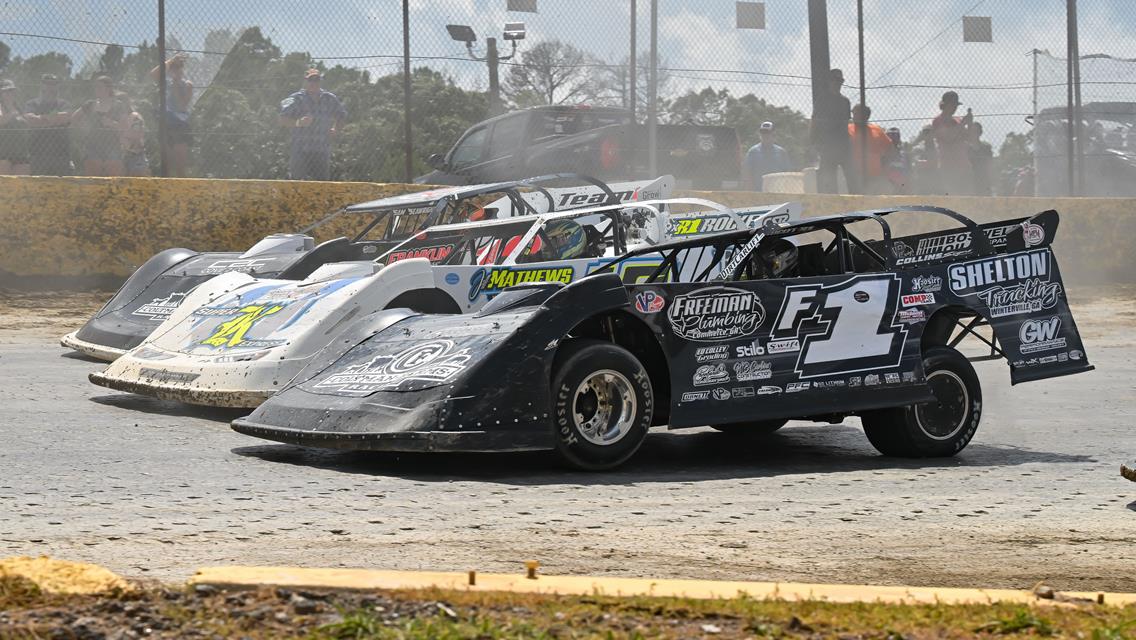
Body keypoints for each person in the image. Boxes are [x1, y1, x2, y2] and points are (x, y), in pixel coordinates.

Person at [279, 69, 346, 181]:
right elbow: (282, 119)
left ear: (321, 81)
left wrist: (336, 129)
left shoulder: (329, 98)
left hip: (322, 149)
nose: (314, 83)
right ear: (305, 81)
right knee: (297, 183)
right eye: (311, 80)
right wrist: (298, 122)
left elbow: (342, 115)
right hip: (300, 149)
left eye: (317, 80)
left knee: (322, 185)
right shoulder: (295, 98)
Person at [810, 68, 855, 193]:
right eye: (834, 80)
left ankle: (855, 203)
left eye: (840, 80)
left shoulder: (845, 101)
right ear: (829, 81)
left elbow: (846, 124)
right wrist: (814, 142)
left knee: (851, 177)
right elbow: (815, 122)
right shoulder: (822, 100)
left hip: (843, 145)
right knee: (829, 179)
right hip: (828, 145)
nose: (837, 83)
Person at [73, 76, 129, 176]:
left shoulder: (118, 105)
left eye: (100, 87)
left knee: (113, 179)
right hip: (92, 146)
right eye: (96, 87)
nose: (96, 89)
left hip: (113, 146)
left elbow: (125, 126)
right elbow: (74, 118)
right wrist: (83, 128)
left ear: (108, 89)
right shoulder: (90, 104)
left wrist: (111, 123)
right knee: (93, 179)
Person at [150, 53, 193, 177]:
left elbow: (181, 106)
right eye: (173, 68)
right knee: (166, 162)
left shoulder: (187, 84)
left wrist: (175, 84)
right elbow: (153, 74)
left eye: (179, 67)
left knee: (180, 163)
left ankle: (182, 189)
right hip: (166, 123)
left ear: (182, 69)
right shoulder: (165, 81)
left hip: (180, 124)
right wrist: (170, 61)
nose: (176, 70)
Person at [23, 74, 73, 175]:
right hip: (37, 152)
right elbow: (30, 120)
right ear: (41, 85)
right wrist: (53, 118)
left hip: (61, 152)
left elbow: (66, 117)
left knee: (62, 186)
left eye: (53, 83)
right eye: (47, 83)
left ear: (57, 86)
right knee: (37, 185)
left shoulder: (63, 103)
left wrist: (41, 119)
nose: (50, 86)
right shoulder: (32, 103)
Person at [930, 90, 972, 195]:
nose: (955, 107)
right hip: (948, 166)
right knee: (952, 195)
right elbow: (948, 138)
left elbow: (969, 138)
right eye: (952, 105)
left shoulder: (957, 120)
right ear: (945, 105)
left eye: (956, 105)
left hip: (963, 165)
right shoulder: (938, 120)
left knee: (966, 196)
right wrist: (963, 123)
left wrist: (969, 123)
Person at [846, 104, 895, 194]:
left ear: (866, 116)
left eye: (857, 113)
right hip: (856, 174)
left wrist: (885, 165)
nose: (854, 116)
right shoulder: (848, 129)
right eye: (854, 113)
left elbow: (890, 148)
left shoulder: (876, 130)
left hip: (875, 174)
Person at [744, 121, 791, 190]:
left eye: (767, 132)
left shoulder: (781, 152)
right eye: (763, 132)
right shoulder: (753, 151)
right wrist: (750, 189)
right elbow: (747, 172)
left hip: (777, 190)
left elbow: (787, 173)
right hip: (758, 190)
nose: (765, 135)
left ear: (773, 134)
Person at [0, 80, 31, 175]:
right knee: (4, 183)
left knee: (22, 184)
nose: (10, 93)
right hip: (4, 151)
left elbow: (27, 124)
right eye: (7, 91)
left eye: (12, 91)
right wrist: (12, 115)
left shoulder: (19, 107)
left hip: (21, 151)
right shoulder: (1, 106)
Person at [121, 103, 149, 177]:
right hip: (124, 153)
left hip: (135, 153)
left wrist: (128, 139)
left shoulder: (134, 116)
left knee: (138, 175)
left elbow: (139, 133)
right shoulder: (119, 117)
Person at [969, 121, 993, 196]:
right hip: (970, 179)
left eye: (977, 131)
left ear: (980, 132)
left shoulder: (986, 148)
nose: (974, 133)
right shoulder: (967, 148)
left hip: (983, 178)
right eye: (972, 131)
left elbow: (989, 164)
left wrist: (990, 179)